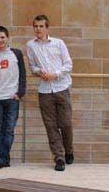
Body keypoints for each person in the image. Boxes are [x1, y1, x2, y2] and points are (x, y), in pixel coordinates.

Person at [26, 15, 74, 171]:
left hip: (62, 88)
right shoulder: (30, 45)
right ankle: (58, 157)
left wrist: (55, 74)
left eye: (41, 26)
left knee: (66, 124)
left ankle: (69, 150)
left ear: (47, 28)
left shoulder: (59, 43)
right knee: (50, 126)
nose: (38, 29)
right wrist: (40, 72)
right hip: (45, 91)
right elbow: (32, 66)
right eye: (36, 26)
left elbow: (68, 64)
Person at [0, 26, 26, 168]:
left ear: (7, 37)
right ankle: (3, 158)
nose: (0, 40)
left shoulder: (16, 54)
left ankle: (0, 158)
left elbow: (22, 74)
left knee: (9, 129)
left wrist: (20, 93)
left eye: (2, 37)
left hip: (12, 98)